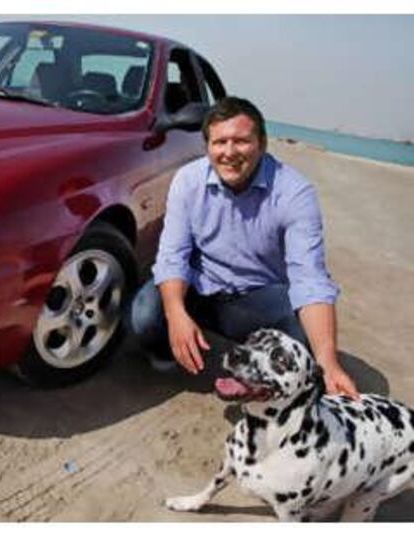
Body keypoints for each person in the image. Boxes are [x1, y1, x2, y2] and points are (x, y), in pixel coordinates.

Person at [128, 96, 359, 398]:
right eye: (219, 142)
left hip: (258, 297)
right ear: (207, 146)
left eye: (241, 141)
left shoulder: (294, 192)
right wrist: (176, 314)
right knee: (143, 316)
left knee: (306, 352)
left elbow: (310, 280)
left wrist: (328, 361)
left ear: (262, 144)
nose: (229, 152)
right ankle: (175, 351)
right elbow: (173, 255)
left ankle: (260, 373)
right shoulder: (188, 180)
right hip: (201, 286)